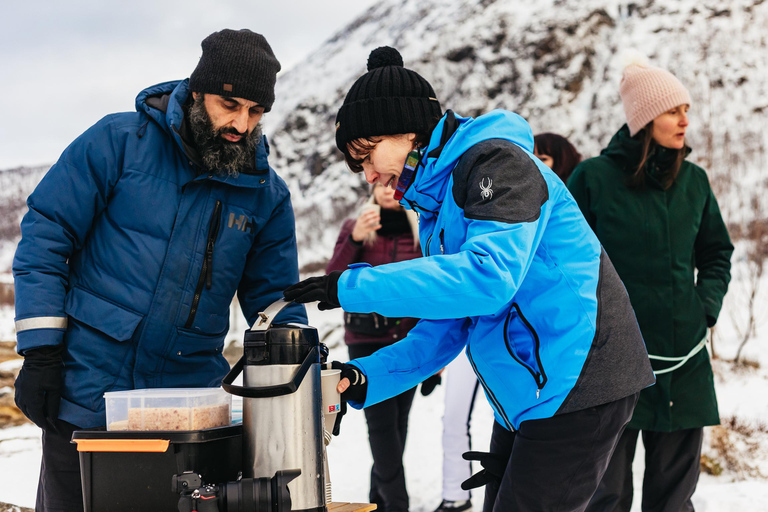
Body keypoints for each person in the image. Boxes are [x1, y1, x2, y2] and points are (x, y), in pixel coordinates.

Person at [284, 46, 656, 512]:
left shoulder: (498, 166)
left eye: (367, 154)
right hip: (532, 391)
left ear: (406, 129)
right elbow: (446, 327)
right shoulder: (437, 208)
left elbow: (489, 277)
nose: (368, 175)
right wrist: (362, 378)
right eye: (359, 164)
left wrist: (352, 286)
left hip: (579, 379)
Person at [12, 29, 307, 512]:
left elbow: (276, 303)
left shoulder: (267, 197)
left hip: (186, 414)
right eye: (229, 105)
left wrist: (296, 374)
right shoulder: (118, 142)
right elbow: (46, 236)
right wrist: (41, 352)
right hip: (86, 394)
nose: (240, 123)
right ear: (197, 91)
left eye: (256, 112)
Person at [568, 57, 733, 512]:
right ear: (644, 119)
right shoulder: (593, 179)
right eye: (672, 110)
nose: (684, 120)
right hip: (611, 363)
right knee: (607, 496)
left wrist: (705, 307)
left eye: (686, 109)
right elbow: (566, 263)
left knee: (674, 500)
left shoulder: (695, 182)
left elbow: (717, 253)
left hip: (685, 360)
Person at [326, 182, 423, 512]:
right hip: (366, 341)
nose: (387, 189)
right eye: (380, 184)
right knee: (381, 428)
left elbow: (430, 285)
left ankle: (379, 502)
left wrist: (435, 360)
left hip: (409, 342)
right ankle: (398, 504)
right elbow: (332, 279)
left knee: (398, 427)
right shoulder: (356, 226)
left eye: (394, 183)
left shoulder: (420, 228)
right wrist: (354, 239)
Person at [433, 352, 487, 512]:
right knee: (454, 420)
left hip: (511, 340)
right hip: (465, 342)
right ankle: (456, 498)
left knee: (514, 420)